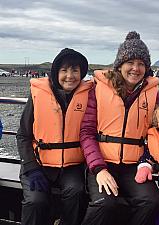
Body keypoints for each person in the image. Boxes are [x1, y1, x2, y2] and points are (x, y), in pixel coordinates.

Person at [80, 31, 159, 225]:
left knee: (152, 202)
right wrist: (99, 169)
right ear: (120, 65)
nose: (136, 68)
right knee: (105, 203)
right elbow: (86, 132)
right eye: (130, 63)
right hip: (102, 162)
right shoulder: (98, 88)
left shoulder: (152, 94)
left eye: (141, 64)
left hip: (133, 166)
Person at [16, 48, 93, 225]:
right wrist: (31, 167)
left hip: (71, 166)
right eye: (64, 70)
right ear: (56, 72)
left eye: (75, 70)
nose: (70, 76)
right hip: (38, 163)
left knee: (76, 192)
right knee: (35, 201)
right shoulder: (37, 95)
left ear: (81, 73)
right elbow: (22, 135)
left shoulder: (89, 95)